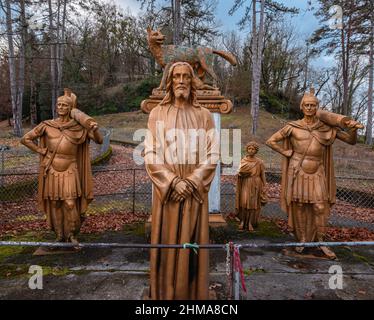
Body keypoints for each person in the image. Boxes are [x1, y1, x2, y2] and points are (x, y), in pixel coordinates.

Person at [144, 62, 219, 300]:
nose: (181, 80)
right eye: (176, 76)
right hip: (167, 195)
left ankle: (192, 294)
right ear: (169, 81)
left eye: (186, 76)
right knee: (166, 242)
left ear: (192, 82)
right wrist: (172, 181)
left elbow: (213, 153)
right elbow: (150, 153)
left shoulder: (203, 115)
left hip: (194, 194)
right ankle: (165, 294)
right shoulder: (157, 114)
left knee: (193, 244)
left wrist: (193, 180)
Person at [266, 89, 363, 259]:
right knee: (301, 206)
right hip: (298, 171)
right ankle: (303, 240)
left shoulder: (325, 127)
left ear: (317, 107)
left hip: (317, 171)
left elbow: (350, 140)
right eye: (307, 105)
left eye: (313, 105)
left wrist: (353, 129)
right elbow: (271, 141)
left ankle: (321, 242)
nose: (310, 108)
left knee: (320, 206)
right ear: (302, 107)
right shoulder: (293, 127)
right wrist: (285, 152)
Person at [21, 89, 103, 244]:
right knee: (55, 203)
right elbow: (25, 139)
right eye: (58, 105)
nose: (60, 107)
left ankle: (72, 234)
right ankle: (59, 235)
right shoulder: (47, 125)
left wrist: (95, 130)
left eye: (64, 105)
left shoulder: (78, 127)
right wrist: (40, 150)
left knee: (70, 203)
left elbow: (99, 140)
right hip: (52, 170)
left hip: (70, 169)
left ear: (70, 108)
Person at [235, 141, 267, 232]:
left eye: (253, 149)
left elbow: (262, 175)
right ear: (247, 149)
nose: (251, 150)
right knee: (244, 203)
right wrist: (241, 174)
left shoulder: (259, 162)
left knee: (252, 205)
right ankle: (243, 221)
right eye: (249, 148)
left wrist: (265, 185)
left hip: (256, 184)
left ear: (256, 150)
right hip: (245, 183)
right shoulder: (243, 160)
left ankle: (250, 222)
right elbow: (238, 172)